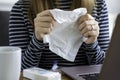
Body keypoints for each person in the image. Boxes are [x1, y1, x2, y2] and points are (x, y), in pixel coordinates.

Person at [9, 0, 109, 71]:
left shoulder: (98, 5)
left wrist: (91, 43)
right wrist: (37, 40)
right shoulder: (22, 8)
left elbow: (106, 69)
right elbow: (18, 71)